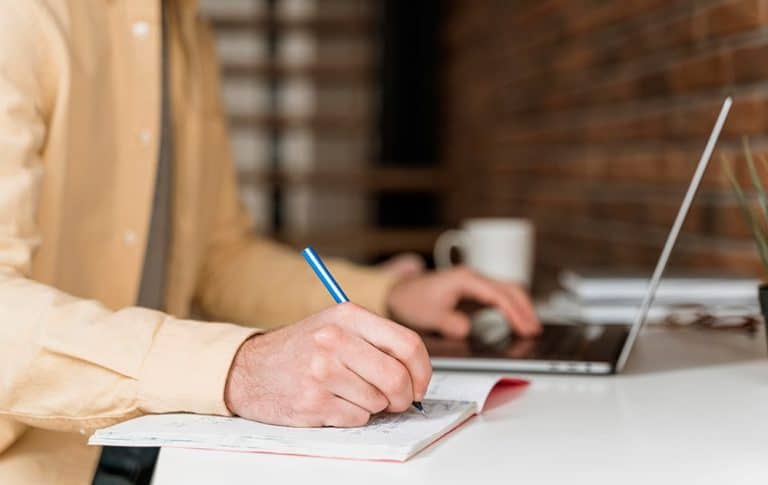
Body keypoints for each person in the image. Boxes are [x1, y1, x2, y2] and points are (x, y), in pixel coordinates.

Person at [0, 1, 540, 484]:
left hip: (157, 442)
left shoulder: (185, 34)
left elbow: (219, 259)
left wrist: (389, 294)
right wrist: (238, 369)